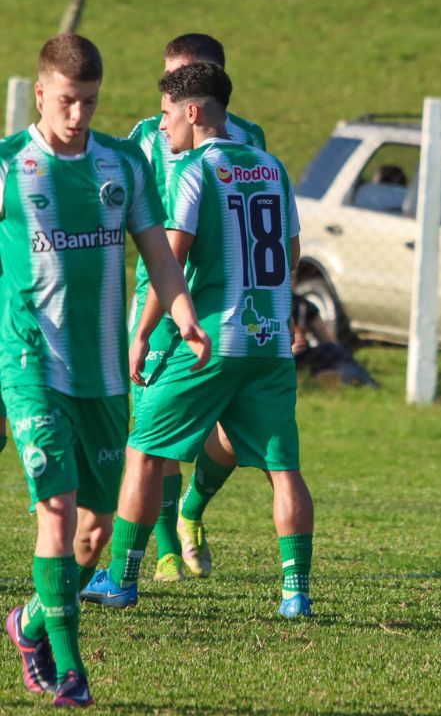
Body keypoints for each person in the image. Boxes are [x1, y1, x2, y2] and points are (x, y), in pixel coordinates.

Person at [0, 34, 209, 707]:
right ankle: (71, 672)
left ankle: (31, 623)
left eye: (89, 102)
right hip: (30, 361)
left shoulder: (122, 164)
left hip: (104, 377)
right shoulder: (9, 166)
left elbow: (158, 253)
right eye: (67, 101)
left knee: (92, 535)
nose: (79, 115)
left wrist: (182, 315)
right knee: (56, 512)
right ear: (40, 94)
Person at [82, 62, 315, 620]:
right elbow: (292, 252)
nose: (161, 127)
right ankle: (295, 593)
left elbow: (170, 259)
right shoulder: (271, 165)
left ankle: (122, 577)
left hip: (211, 340)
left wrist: (142, 333)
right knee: (283, 470)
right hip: (269, 341)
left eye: (166, 114)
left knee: (142, 451)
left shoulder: (194, 170)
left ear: (192, 111)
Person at [125, 33, 267, 583]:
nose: (170, 88)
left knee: (231, 433)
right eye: (166, 76)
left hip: (226, 305)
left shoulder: (249, 138)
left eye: (182, 76)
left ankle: (191, 511)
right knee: (153, 436)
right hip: (158, 300)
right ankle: (162, 550)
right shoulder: (144, 137)